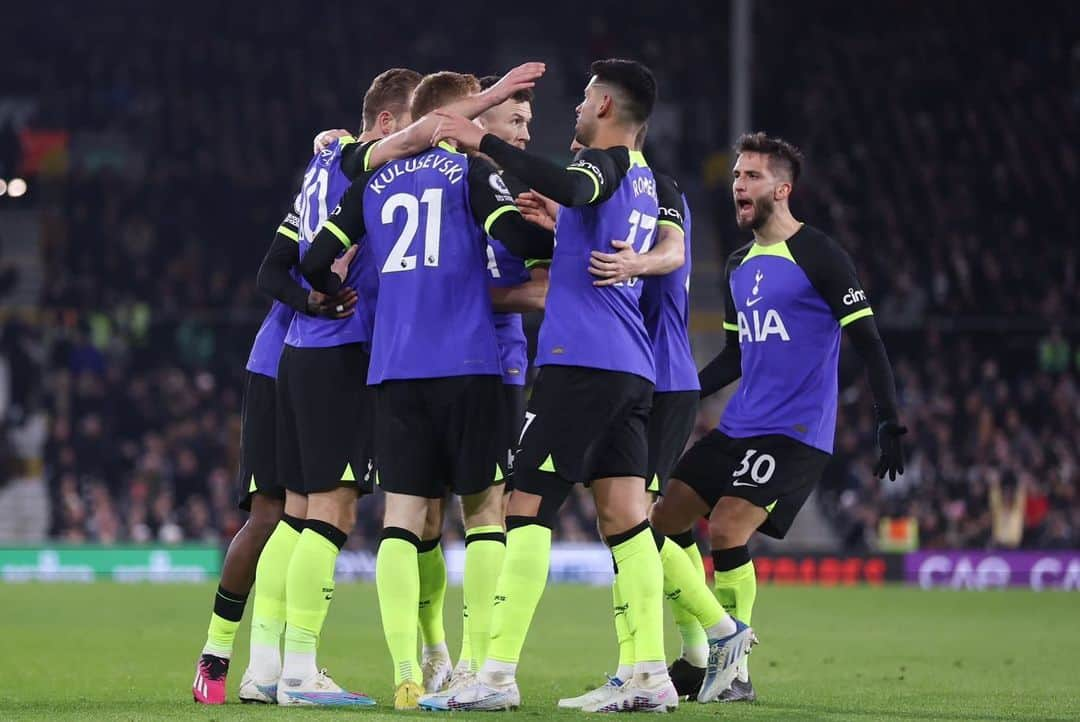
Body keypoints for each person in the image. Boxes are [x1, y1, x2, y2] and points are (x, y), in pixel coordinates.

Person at [421, 58, 737, 713]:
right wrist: (564, 225)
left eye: (584, 99)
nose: (574, 108)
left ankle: (497, 674)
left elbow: (578, 182)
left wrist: (482, 140)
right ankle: (649, 673)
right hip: (630, 368)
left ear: (605, 109)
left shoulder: (610, 162)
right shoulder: (648, 179)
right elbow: (593, 213)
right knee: (626, 518)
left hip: (582, 364)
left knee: (523, 507)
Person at [300, 71, 553, 710]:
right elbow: (518, 238)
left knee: (403, 519)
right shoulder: (468, 175)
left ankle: (406, 674)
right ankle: (474, 666)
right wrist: (557, 230)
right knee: (485, 512)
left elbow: (312, 263)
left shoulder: (367, 183)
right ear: (449, 120)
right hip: (469, 364)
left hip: (393, 370)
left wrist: (334, 293)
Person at [649, 132, 907, 702]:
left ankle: (735, 672)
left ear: (782, 188)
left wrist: (889, 419)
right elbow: (737, 357)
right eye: (737, 176)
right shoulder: (739, 265)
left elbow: (868, 341)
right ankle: (697, 657)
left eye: (752, 177)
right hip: (739, 423)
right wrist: (679, 392)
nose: (738, 185)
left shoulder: (820, 254)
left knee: (726, 527)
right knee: (661, 522)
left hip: (793, 431)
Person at [188, 66, 374, 700]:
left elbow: (270, 275)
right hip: (297, 359)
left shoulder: (320, 179)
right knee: (289, 515)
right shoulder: (353, 186)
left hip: (273, 358)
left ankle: (241, 665)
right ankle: (256, 662)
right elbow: (276, 276)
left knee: (274, 518)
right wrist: (320, 302)